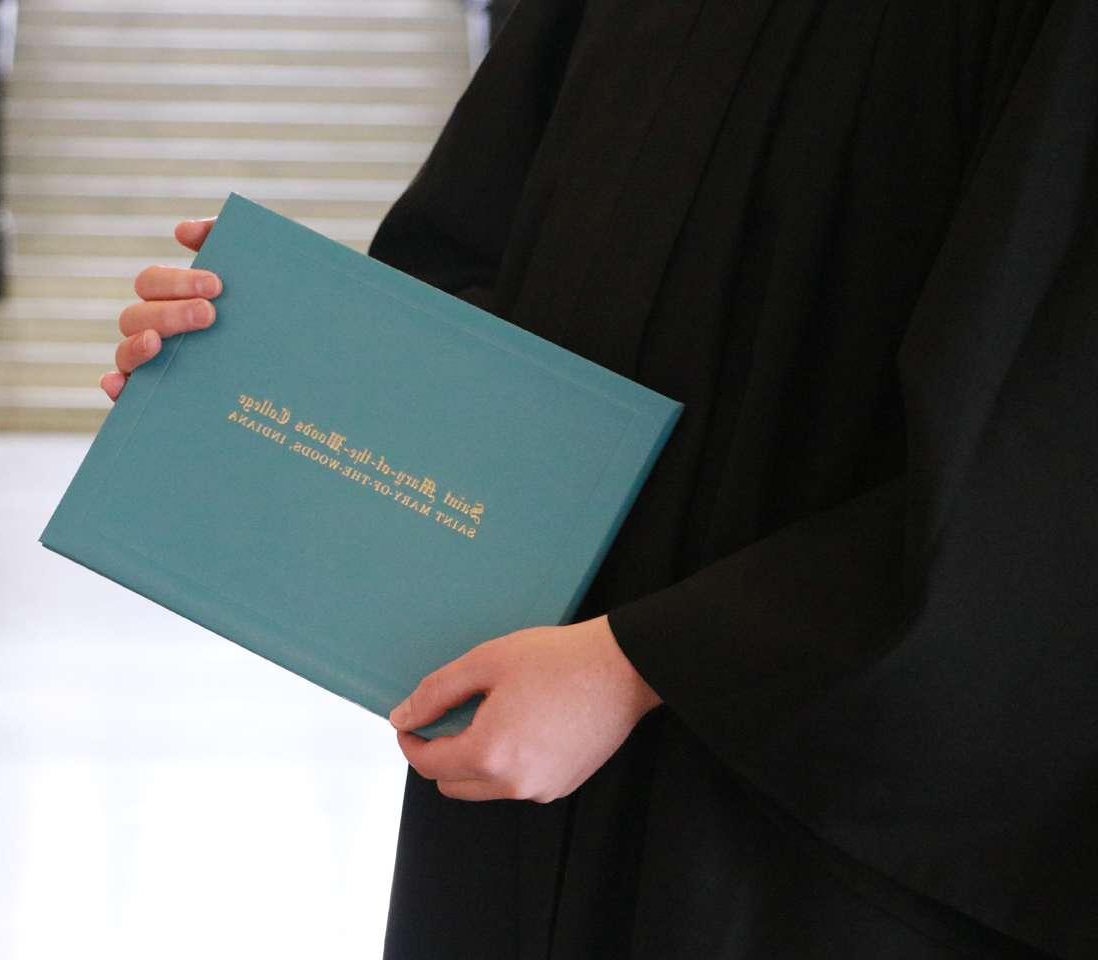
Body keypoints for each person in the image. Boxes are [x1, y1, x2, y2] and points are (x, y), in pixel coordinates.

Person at [98, 0, 1097, 955]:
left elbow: (1045, 446)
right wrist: (261, 367)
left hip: (797, 814)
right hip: (525, 737)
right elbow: (479, 271)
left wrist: (641, 662)